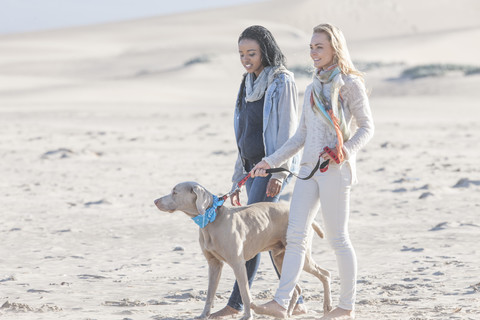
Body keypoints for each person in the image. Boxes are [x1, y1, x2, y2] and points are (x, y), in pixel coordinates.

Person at [250, 23, 374, 320]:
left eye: (319, 46)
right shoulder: (312, 87)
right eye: (311, 47)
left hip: (336, 171)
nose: (313, 52)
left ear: (335, 48)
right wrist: (270, 161)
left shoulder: (349, 84)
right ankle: (282, 303)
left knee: (338, 238)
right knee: (295, 236)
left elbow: (367, 128)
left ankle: (346, 307)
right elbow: (299, 136)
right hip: (308, 171)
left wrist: (345, 151)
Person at [209, 25, 303, 318]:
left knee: (250, 238)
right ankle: (296, 303)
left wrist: (279, 172)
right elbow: (244, 134)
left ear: (265, 50)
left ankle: (236, 305)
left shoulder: (281, 81)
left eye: (251, 53)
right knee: (272, 240)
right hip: (251, 171)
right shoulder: (247, 82)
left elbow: (289, 130)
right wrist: (238, 178)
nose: (246, 59)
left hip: (271, 169)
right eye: (241, 54)